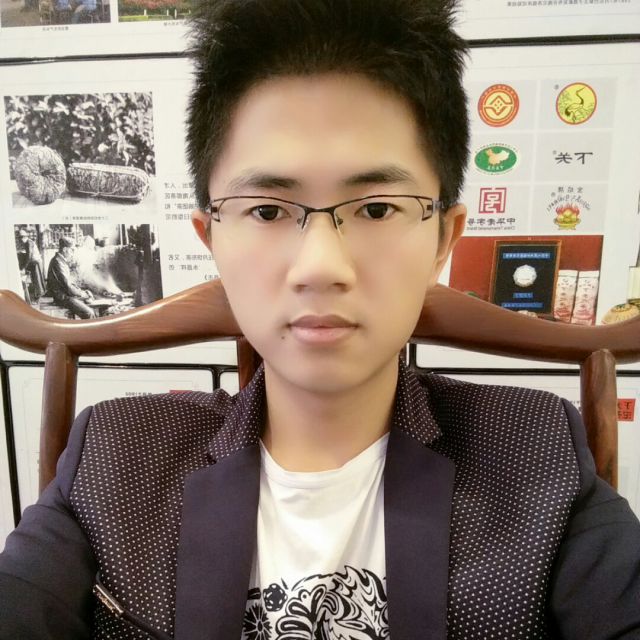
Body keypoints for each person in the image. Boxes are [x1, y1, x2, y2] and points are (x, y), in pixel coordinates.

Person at [1, 1, 639, 638]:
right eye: (268, 211)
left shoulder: (538, 454)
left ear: (445, 238)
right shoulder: (116, 457)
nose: (321, 266)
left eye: (378, 209)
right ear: (210, 236)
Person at [45, 235, 96, 319]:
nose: (72, 253)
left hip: (66, 295)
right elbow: (68, 286)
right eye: (71, 250)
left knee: (89, 303)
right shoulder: (58, 262)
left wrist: (81, 291)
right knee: (89, 313)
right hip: (62, 298)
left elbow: (68, 283)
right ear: (65, 249)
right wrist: (83, 294)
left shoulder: (60, 260)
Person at [16, 227, 45, 302]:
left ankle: (38, 297)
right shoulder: (27, 243)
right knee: (35, 280)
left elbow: (29, 256)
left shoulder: (29, 243)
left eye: (21, 238)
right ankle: (37, 296)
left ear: (25, 237)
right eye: (19, 238)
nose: (20, 240)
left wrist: (24, 267)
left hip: (36, 262)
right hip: (34, 262)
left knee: (37, 280)